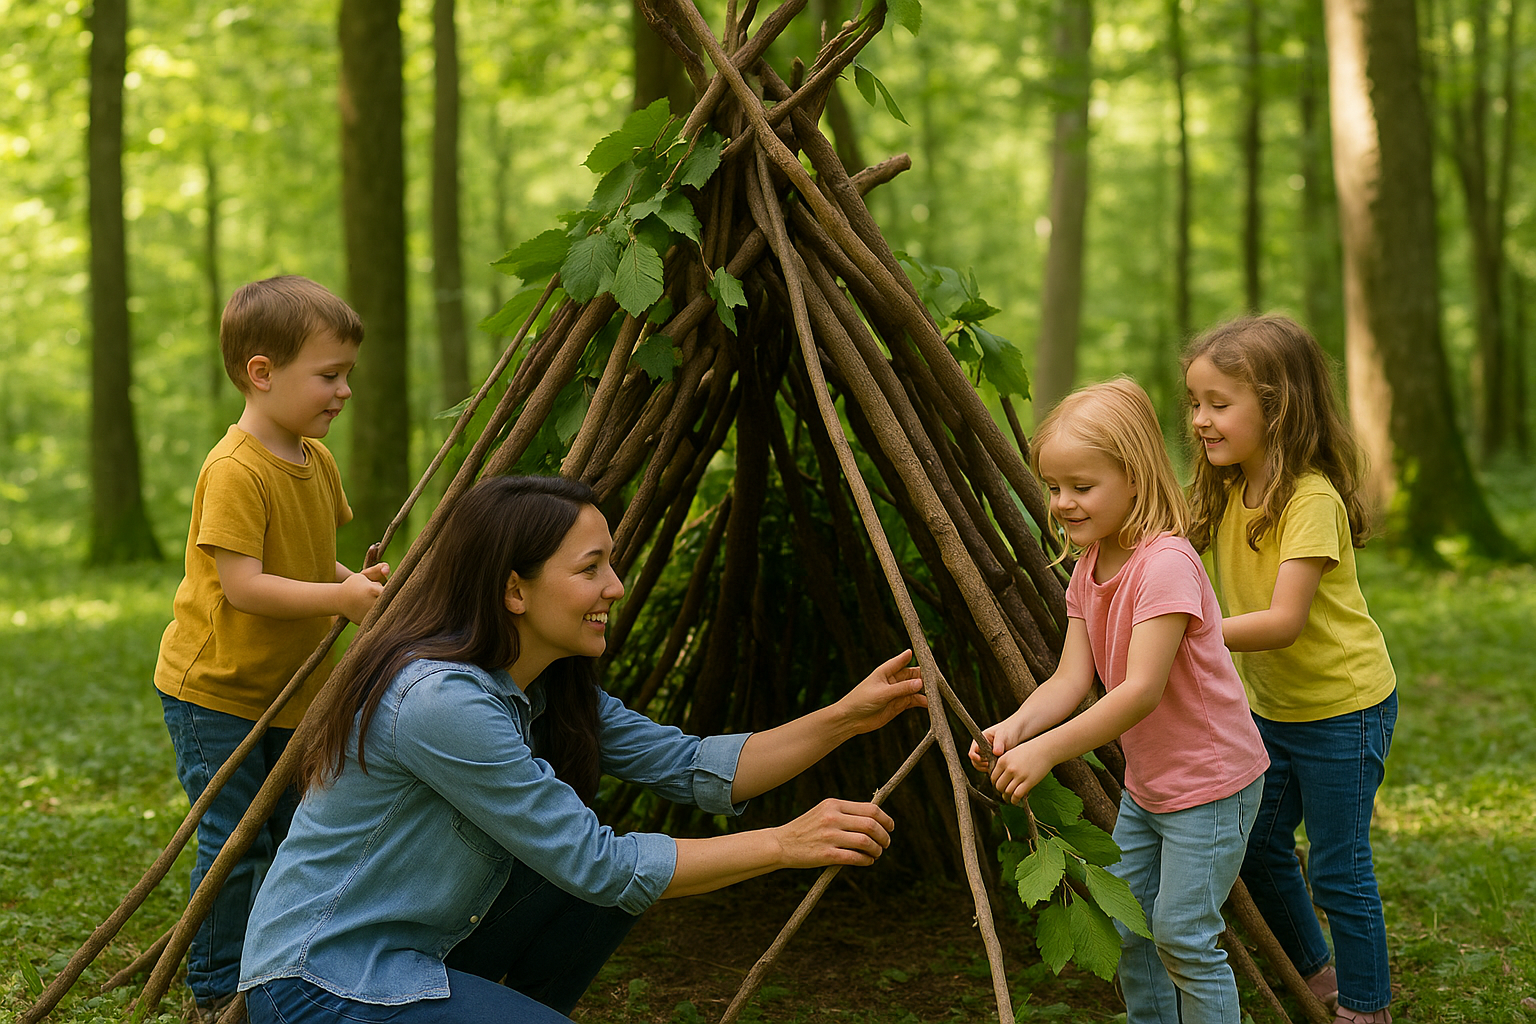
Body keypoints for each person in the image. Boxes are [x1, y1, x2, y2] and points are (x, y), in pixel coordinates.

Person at [237, 474, 928, 1024]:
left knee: (589, 892)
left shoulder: (539, 685)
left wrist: (846, 717)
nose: (615, 587)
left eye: (611, 564)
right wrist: (784, 843)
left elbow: (694, 768)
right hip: (323, 981)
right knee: (598, 877)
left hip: (417, 955)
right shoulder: (440, 701)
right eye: (591, 568)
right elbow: (599, 864)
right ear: (514, 589)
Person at [970, 378, 1269, 1024]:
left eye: (1082, 486)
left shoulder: (1165, 565)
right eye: (1054, 487)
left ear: (1133, 477)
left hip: (1211, 786)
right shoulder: (1089, 565)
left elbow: (1138, 692)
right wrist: (1014, 730)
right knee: (1129, 926)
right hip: (1150, 787)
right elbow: (1069, 680)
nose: (1063, 503)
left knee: (1184, 937)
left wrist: (1046, 751)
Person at [153, 275, 390, 1019]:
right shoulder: (235, 470)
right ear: (262, 372)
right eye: (329, 375)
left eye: (347, 374)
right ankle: (217, 989)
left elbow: (314, 560)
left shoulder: (315, 460)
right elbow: (246, 586)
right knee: (235, 839)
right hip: (217, 690)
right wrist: (338, 600)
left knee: (294, 833)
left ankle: (282, 967)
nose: (343, 391)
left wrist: (360, 586)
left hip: (290, 692)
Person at [1184, 315, 1397, 1024]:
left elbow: (1283, 622)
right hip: (1272, 710)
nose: (1200, 420)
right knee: (1255, 844)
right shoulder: (1224, 490)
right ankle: (1315, 970)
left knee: (1339, 866)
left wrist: (1189, 635)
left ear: (1276, 408)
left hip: (1344, 709)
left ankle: (1366, 1007)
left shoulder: (1310, 499)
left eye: (1219, 404)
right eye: (1195, 403)